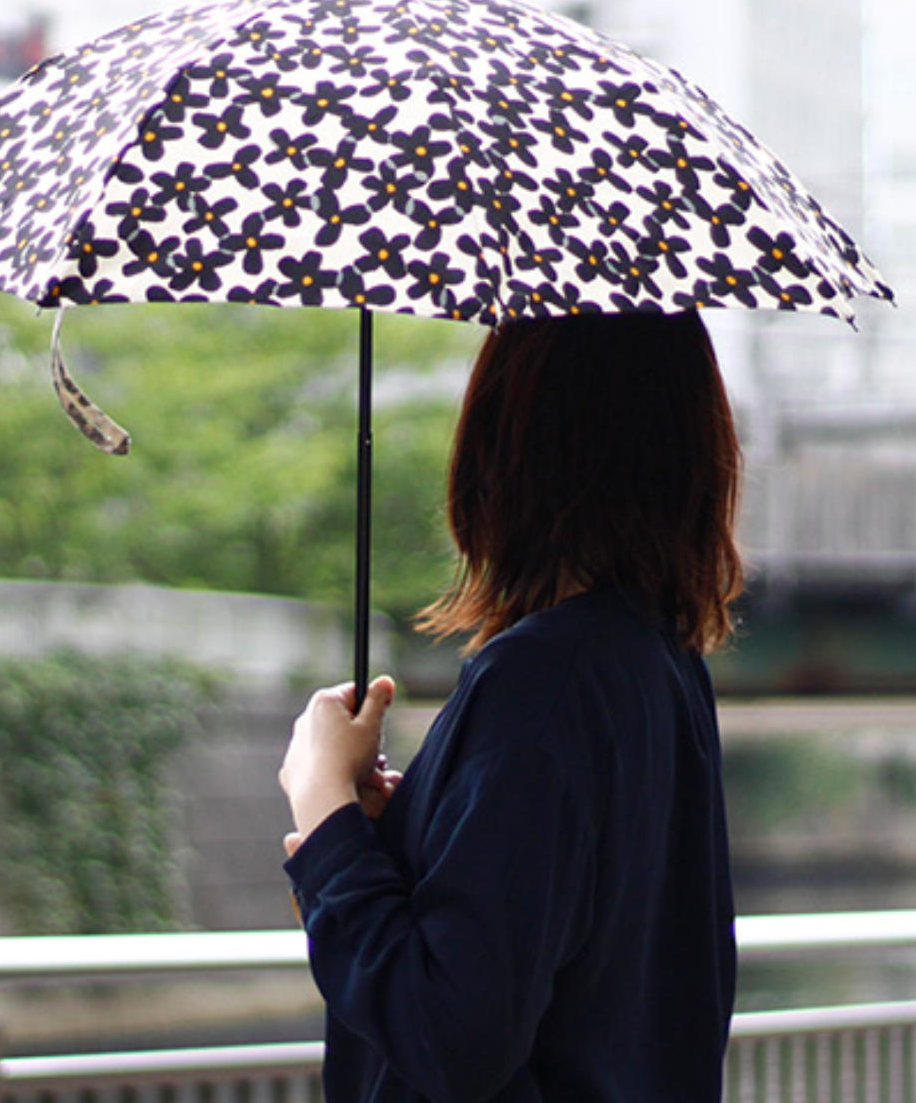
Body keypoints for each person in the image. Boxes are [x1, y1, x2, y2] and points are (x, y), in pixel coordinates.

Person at [279, 310, 741, 1102]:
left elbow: (452, 1038)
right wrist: (384, 847)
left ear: (507, 442)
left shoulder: (540, 682)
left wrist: (322, 805)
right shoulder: (657, 664)